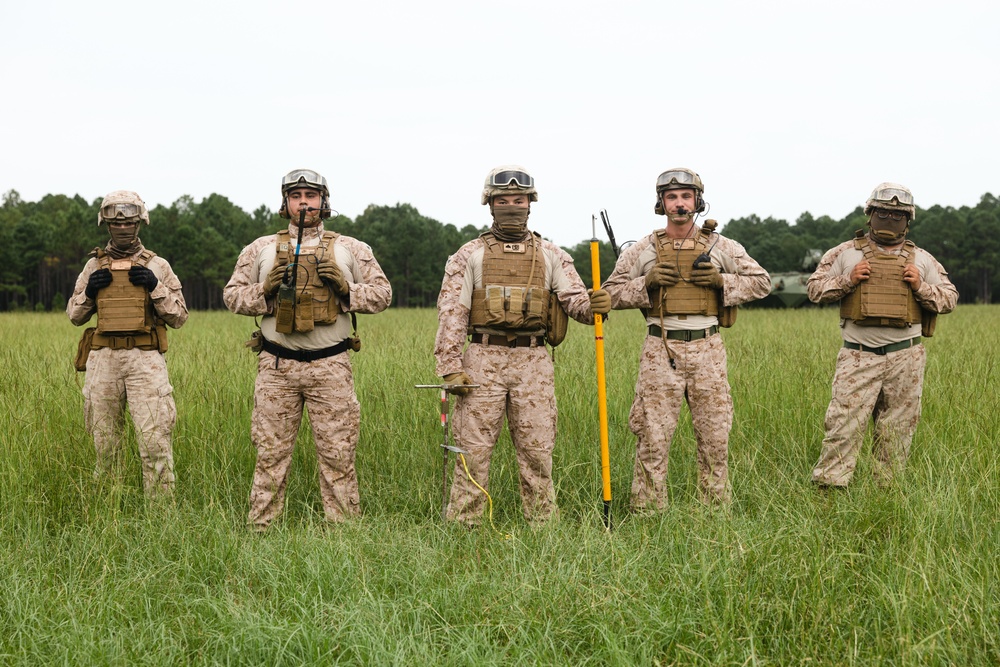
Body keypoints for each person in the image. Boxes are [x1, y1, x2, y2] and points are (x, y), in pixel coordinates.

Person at [434, 165, 612, 527]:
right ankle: (463, 527)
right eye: (503, 201)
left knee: (537, 451)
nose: (512, 207)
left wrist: (595, 304)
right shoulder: (469, 255)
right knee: (472, 451)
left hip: (533, 362)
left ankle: (542, 526)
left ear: (531, 204)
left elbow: (575, 303)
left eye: (519, 200)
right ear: (490, 205)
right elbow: (452, 313)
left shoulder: (551, 255)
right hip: (482, 358)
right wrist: (450, 367)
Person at [223, 168, 391, 530]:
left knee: (338, 454)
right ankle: (260, 530)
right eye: (296, 196)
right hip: (276, 368)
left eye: (311, 196)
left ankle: (344, 532)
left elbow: (383, 295)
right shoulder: (260, 249)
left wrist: (346, 288)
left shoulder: (351, 248)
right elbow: (232, 296)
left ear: (323, 201)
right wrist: (265, 289)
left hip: (330, 367)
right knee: (270, 455)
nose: (304, 203)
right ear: (285, 203)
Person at [603, 168, 770, 508]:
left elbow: (762, 282)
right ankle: (648, 512)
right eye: (672, 197)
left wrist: (722, 281)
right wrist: (645, 283)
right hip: (660, 348)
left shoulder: (723, 246)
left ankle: (714, 512)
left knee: (715, 437)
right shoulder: (642, 250)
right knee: (652, 436)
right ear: (661, 203)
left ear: (697, 201)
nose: (679, 204)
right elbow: (608, 295)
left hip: (708, 347)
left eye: (685, 197)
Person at [808, 183, 958, 487]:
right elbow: (814, 289)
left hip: (906, 356)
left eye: (897, 214)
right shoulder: (844, 254)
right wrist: (847, 280)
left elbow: (949, 298)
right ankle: (829, 491)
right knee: (843, 427)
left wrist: (921, 287)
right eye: (883, 212)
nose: (889, 219)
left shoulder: (923, 260)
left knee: (898, 431)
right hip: (858, 354)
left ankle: (885, 492)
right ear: (870, 214)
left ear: (908, 219)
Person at [67, 190, 188, 497]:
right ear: (106, 225)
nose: (122, 228)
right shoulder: (93, 267)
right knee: (105, 446)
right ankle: (109, 513)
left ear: (139, 223)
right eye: (116, 224)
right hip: (103, 361)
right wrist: (89, 294)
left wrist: (154, 286)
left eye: (129, 223)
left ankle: (161, 518)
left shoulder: (157, 265)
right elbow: (74, 316)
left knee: (155, 443)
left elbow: (179, 317)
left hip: (144, 362)